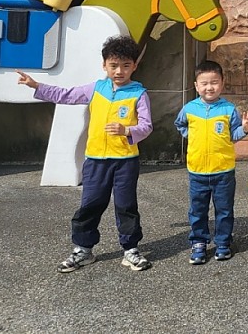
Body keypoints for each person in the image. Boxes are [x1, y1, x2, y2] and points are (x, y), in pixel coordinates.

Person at [17, 35, 153, 272]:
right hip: (96, 160)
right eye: (113, 65)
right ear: (104, 65)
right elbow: (66, 95)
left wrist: (127, 130)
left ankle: (130, 249)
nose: (119, 71)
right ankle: (83, 250)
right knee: (90, 204)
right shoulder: (96, 89)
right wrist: (37, 86)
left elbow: (146, 126)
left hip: (125, 161)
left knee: (126, 205)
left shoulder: (139, 94)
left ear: (134, 66)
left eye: (125, 65)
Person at [175, 59, 248, 264]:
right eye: (204, 83)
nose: (209, 87)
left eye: (214, 82)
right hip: (197, 171)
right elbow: (180, 124)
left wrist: (245, 129)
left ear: (222, 83)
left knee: (224, 210)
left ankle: (223, 242)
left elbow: (233, 135)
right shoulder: (189, 109)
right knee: (197, 210)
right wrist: (192, 136)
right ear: (196, 86)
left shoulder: (228, 109)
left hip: (223, 170)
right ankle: (198, 242)